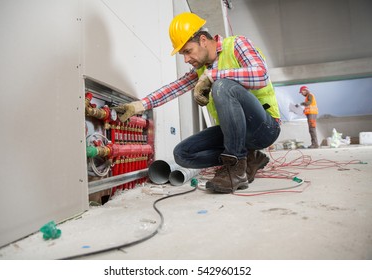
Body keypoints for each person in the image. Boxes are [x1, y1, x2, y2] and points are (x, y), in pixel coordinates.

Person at [116, 12, 281, 193]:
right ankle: (250, 157)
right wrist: (140, 105)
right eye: (183, 54)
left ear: (203, 40)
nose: (186, 59)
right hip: (235, 134)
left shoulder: (236, 44)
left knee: (222, 86)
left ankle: (235, 168)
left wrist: (213, 76)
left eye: (188, 51)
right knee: (182, 154)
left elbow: (261, 75)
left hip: (263, 127)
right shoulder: (201, 70)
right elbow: (174, 88)